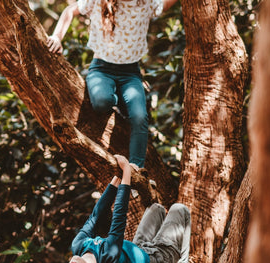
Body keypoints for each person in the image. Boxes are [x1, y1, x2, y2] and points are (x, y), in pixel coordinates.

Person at [50, 155, 205, 263]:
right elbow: (119, 216)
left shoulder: (78, 246)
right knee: (179, 209)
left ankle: (172, 259)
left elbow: (96, 215)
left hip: (139, 250)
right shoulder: (108, 257)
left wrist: (116, 178)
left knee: (157, 209)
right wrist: (126, 173)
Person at [46, 0, 179, 170]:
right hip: (101, 70)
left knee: (140, 118)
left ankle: (136, 169)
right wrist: (57, 36)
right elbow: (70, 10)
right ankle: (120, 101)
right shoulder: (98, 1)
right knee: (103, 101)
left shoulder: (146, 3)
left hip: (130, 74)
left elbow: (165, 4)